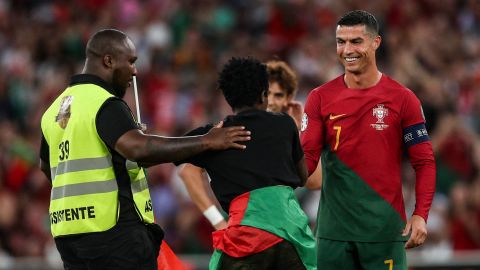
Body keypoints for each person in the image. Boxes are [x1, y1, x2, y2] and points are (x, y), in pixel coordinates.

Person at [39, 29, 251, 270]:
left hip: (69, 236)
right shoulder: (104, 103)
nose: (135, 70)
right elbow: (139, 149)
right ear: (108, 61)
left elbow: (48, 166)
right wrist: (207, 140)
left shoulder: (54, 110)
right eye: (130, 61)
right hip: (116, 232)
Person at [300, 10, 436, 269]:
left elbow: (425, 162)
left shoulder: (403, 99)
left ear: (376, 43)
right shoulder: (319, 98)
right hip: (333, 234)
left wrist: (420, 215)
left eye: (356, 41)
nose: (347, 49)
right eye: (341, 41)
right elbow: (306, 164)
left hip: (384, 232)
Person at [175, 57, 317, 269]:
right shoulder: (286, 124)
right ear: (263, 94)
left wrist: (204, 140)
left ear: (228, 98)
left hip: (247, 235)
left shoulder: (215, 134)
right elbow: (303, 177)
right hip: (292, 233)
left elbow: (165, 154)